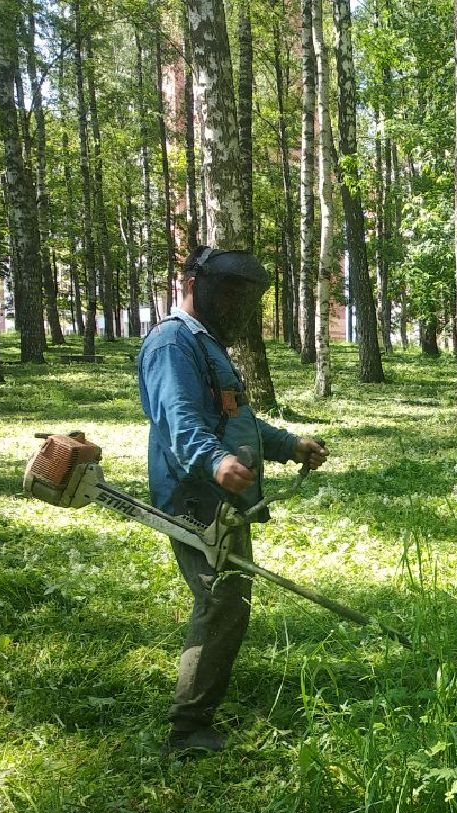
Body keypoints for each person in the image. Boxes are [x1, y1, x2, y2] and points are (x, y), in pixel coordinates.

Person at [138, 246, 328, 754]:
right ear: (193, 284)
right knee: (221, 601)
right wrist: (217, 463)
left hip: (223, 500)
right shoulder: (173, 344)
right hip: (197, 499)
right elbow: (181, 423)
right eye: (226, 293)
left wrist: (289, 445)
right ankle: (187, 729)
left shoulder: (208, 346)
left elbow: (236, 418)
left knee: (230, 600)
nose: (234, 305)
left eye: (243, 298)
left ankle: (201, 703)